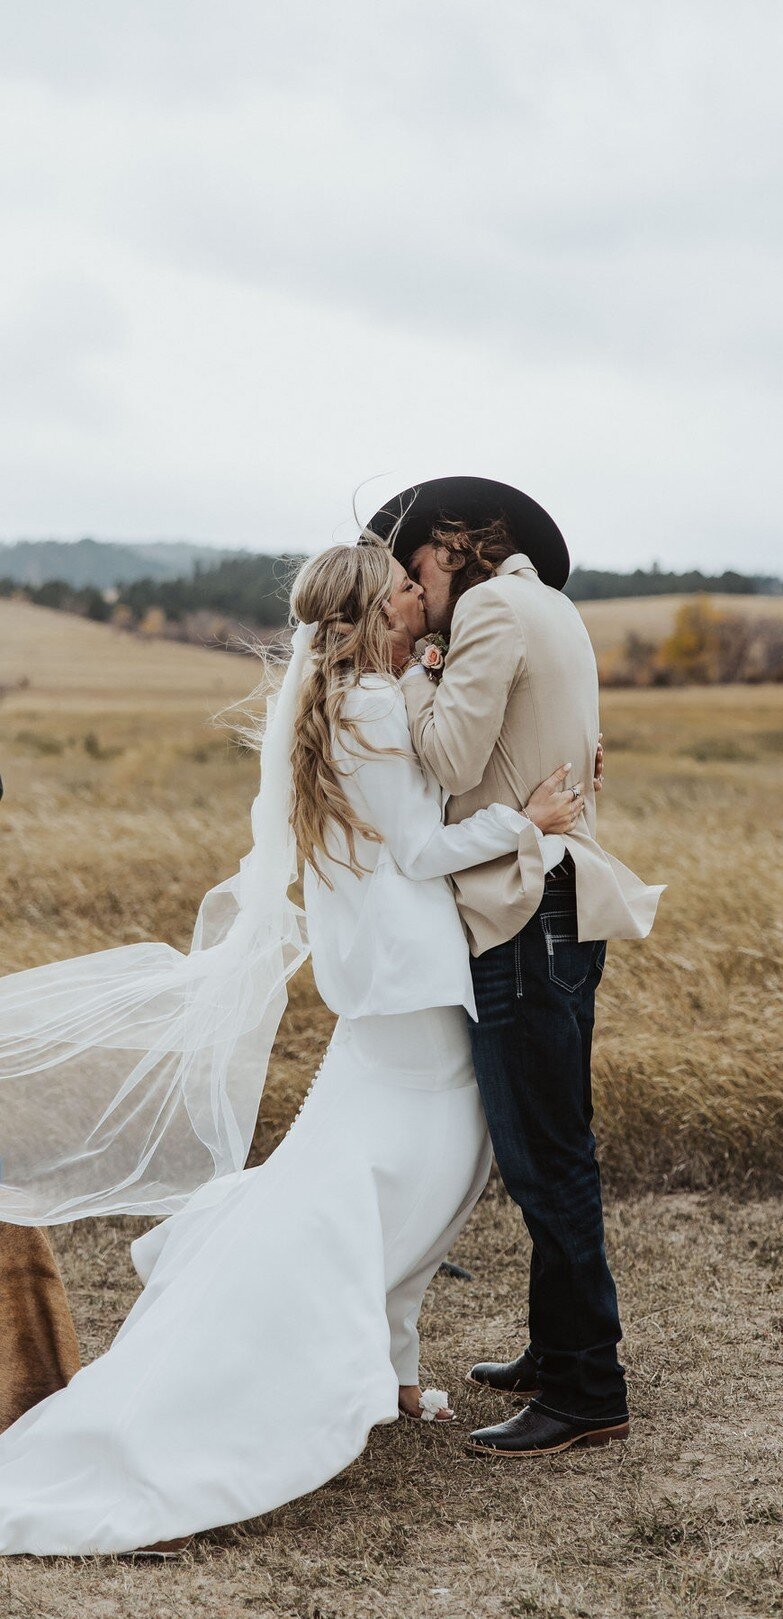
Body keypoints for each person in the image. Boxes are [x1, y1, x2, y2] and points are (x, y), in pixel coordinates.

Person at [0, 537, 585, 1555]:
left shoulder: (343, 696)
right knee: (421, 1176)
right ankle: (306, 1357)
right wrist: (526, 823)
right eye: (405, 585)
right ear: (374, 613)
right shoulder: (366, 709)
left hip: (383, 984)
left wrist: (423, 682)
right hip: (413, 982)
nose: (420, 589)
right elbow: (419, 848)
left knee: (388, 1176)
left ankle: (394, 1373)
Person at [364, 475, 664, 1456]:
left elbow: (450, 761)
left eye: (413, 568)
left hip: (520, 913)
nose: (411, 589)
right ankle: (554, 1348)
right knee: (556, 1140)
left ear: (450, 546)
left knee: (547, 1161)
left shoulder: (490, 605)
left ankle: (586, 1390)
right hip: (562, 906)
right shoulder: (555, 609)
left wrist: (410, 666)